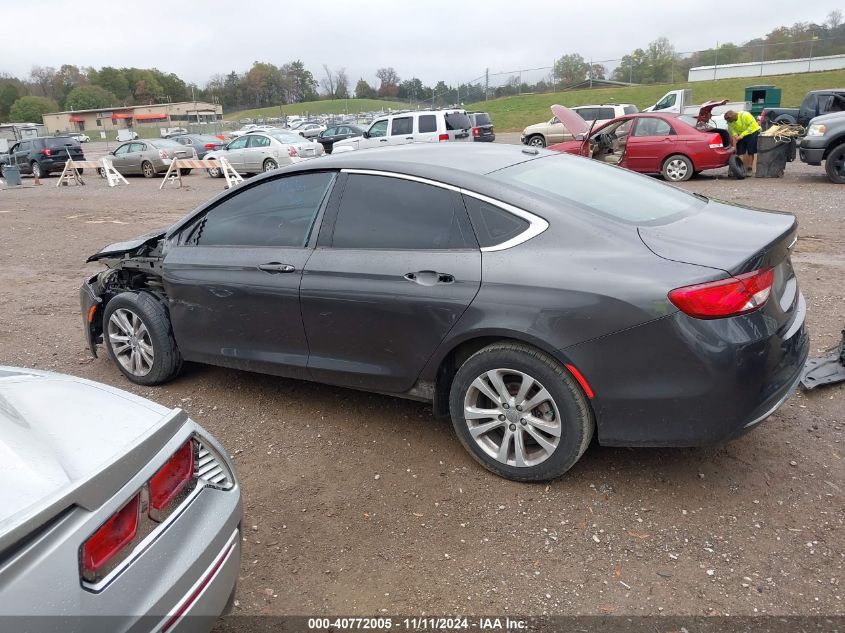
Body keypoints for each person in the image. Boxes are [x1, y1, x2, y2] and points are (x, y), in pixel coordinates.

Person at [724, 110, 761, 176]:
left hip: (752, 132)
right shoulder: (730, 120)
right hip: (741, 134)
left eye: (731, 121)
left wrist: (742, 135)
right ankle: (737, 168)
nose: (730, 122)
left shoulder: (745, 116)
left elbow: (752, 126)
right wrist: (735, 135)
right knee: (739, 151)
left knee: (751, 150)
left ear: (734, 117)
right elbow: (732, 128)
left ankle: (749, 168)